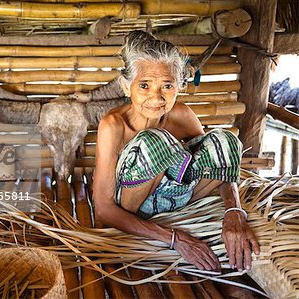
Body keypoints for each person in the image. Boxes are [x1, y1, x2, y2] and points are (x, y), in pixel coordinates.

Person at [92, 30, 260, 272]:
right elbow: (104, 209)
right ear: (126, 86)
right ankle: (153, 230)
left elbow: (219, 162)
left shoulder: (181, 115)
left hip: (180, 201)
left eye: (167, 86)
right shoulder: (113, 125)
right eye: (144, 85)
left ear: (179, 85)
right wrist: (176, 239)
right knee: (152, 141)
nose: (156, 97)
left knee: (226, 141)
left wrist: (234, 211)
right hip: (134, 210)